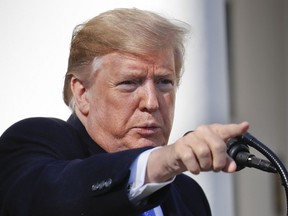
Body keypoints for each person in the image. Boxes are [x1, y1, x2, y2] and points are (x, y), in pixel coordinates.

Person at [0, 8, 249, 216]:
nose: (151, 102)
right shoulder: (37, 141)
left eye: (164, 82)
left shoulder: (187, 194)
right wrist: (162, 162)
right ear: (82, 93)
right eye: (129, 83)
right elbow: (55, 194)